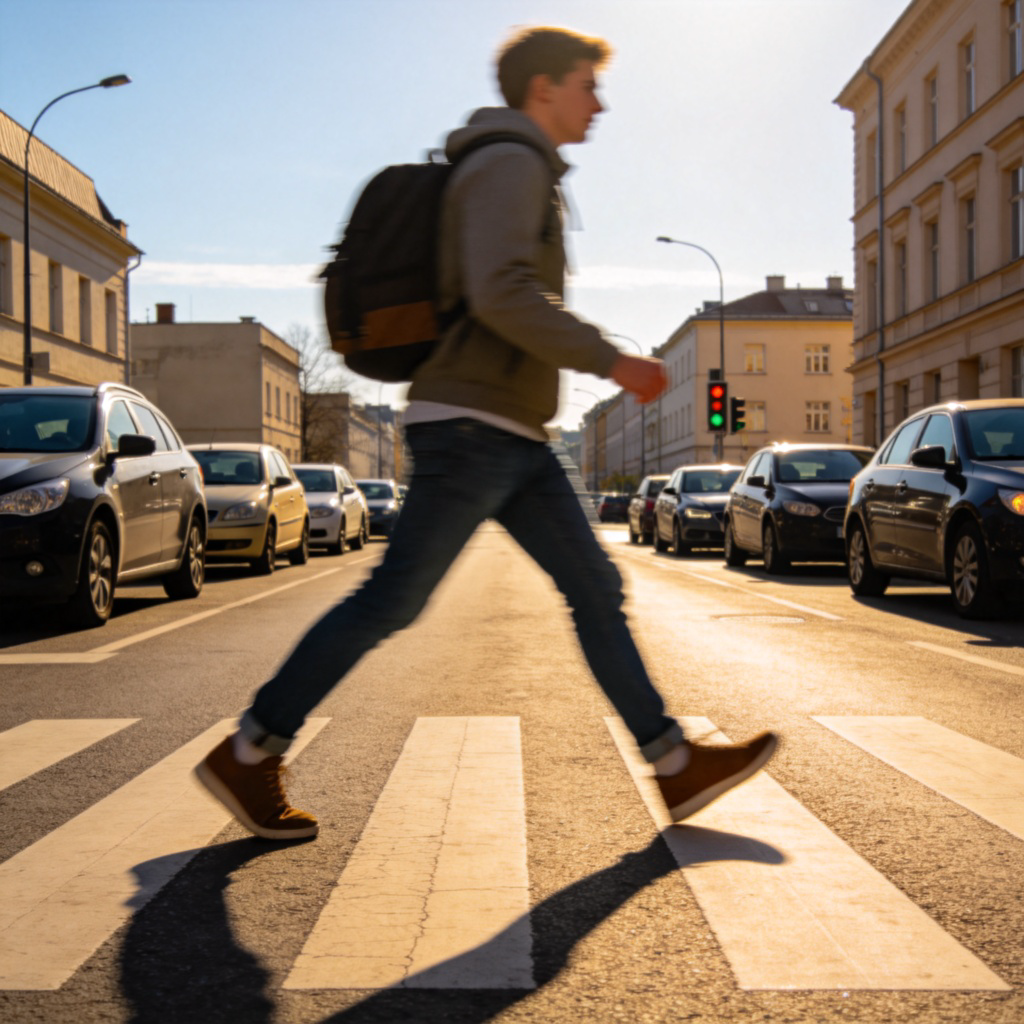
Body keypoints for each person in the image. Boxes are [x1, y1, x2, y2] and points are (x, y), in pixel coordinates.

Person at [195, 26, 777, 840]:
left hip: (507, 429)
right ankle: (252, 750)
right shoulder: (511, 164)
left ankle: (675, 765)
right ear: (544, 88)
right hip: (474, 426)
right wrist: (611, 360)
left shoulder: (512, 163)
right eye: (587, 85)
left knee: (593, 592)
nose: (598, 104)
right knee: (393, 602)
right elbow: (501, 292)